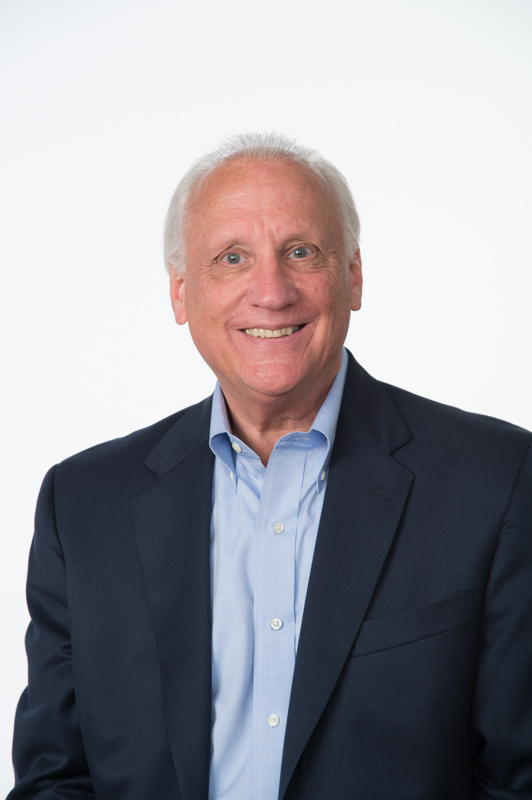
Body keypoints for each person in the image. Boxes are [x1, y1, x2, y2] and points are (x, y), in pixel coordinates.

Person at [8, 133, 532, 800]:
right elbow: (55, 781)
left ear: (354, 276)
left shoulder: (496, 482)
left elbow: (517, 780)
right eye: (232, 258)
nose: (271, 291)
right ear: (180, 294)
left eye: (301, 252)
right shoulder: (84, 505)